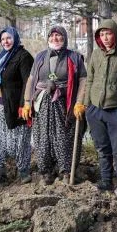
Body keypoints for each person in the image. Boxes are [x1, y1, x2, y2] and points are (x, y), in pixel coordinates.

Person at [78, 19, 117, 200]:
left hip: (116, 111)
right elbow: (89, 80)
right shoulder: (95, 54)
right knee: (102, 148)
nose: (105, 38)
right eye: (101, 34)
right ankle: (105, 180)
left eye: (108, 33)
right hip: (96, 111)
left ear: (115, 35)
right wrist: (86, 104)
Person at [23, 26, 87, 184]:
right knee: (43, 137)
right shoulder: (39, 57)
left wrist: (79, 102)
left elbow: (83, 81)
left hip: (65, 104)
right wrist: (26, 102)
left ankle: (66, 171)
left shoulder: (74, 57)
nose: (55, 39)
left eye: (58, 36)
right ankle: (46, 172)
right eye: (52, 36)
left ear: (64, 38)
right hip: (42, 103)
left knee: (64, 136)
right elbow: (32, 80)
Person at [0, 27, 34, 184]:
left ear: (15, 38)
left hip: (16, 106)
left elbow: (28, 82)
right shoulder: (3, 56)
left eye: (8, 38)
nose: (5, 42)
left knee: (20, 139)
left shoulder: (24, 56)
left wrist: (25, 104)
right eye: (2, 39)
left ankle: (23, 170)